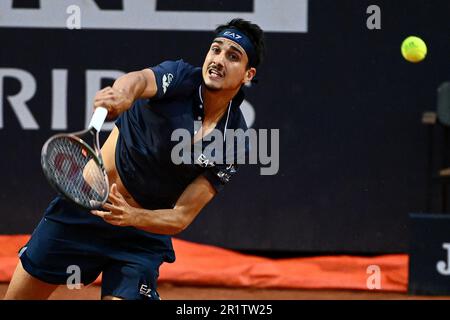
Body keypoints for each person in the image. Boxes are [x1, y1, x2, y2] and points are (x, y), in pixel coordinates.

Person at [4, 18, 265, 300]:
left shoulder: (234, 138)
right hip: (84, 209)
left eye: (232, 56)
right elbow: (139, 80)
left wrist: (132, 217)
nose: (218, 60)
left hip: (140, 236)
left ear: (248, 75)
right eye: (215, 50)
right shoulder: (180, 78)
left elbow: (181, 215)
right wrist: (122, 96)